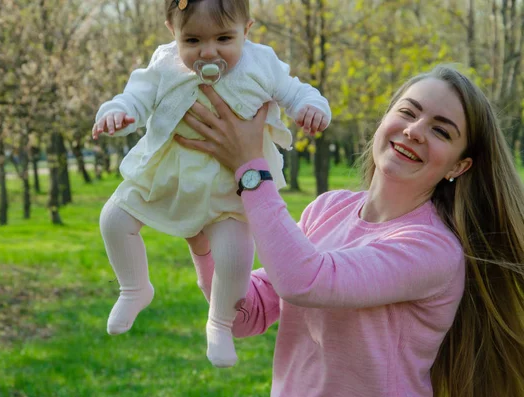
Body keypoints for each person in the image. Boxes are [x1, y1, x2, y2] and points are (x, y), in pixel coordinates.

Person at [178, 65, 524, 396]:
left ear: (458, 166)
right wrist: (204, 246)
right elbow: (244, 316)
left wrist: (250, 170)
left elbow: (303, 280)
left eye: (440, 130)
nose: (415, 130)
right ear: (385, 119)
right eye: (408, 112)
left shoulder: (433, 249)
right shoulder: (327, 209)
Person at [91, 0, 331, 368]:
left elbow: (296, 91)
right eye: (192, 40)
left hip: (227, 187)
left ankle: (219, 322)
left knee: (235, 255)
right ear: (173, 33)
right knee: (114, 219)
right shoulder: (163, 64)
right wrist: (117, 114)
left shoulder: (262, 62)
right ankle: (134, 287)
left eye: (223, 38)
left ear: (246, 31)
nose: (208, 52)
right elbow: (134, 99)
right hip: (168, 174)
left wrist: (310, 108)